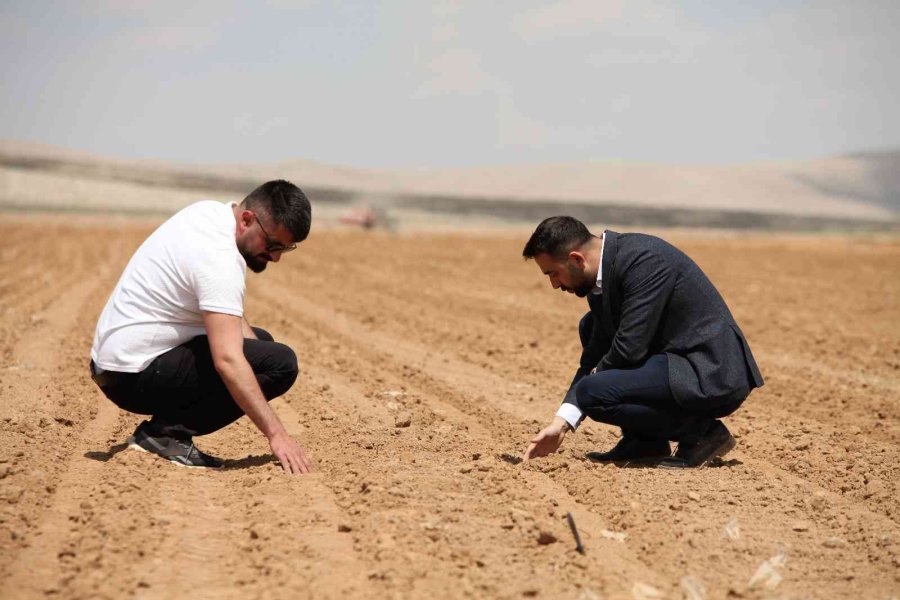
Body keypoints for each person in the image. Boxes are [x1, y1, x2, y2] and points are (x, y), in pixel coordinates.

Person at [89, 180, 313, 474]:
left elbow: (228, 316)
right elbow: (228, 360)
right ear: (247, 220)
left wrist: (258, 354)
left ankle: (164, 430)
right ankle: (164, 434)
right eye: (272, 245)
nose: (276, 257)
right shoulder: (219, 259)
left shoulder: (210, 214)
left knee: (263, 345)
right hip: (132, 376)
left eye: (286, 248)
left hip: (116, 362)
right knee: (281, 364)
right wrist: (277, 435)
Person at [522, 216, 763, 468]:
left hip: (710, 369)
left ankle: (702, 433)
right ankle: (644, 442)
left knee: (594, 392)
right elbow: (594, 357)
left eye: (553, 273)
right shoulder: (601, 278)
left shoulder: (645, 260)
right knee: (591, 326)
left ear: (576, 259)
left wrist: (592, 383)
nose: (554, 284)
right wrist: (561, 423)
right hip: (675, 361)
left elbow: (629, 349)